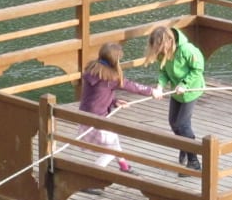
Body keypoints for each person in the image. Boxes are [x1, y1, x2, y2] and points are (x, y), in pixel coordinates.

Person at [78, 42, 161, 173]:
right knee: (110, 150)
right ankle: (91, 176)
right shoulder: (111, 77)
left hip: (84, 118)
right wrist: (152, 91)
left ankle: (124, 166)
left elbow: (95, 96)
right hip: (97, 122)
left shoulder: (92, 69)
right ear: (115, 60)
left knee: (113, 141)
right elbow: (132, 86)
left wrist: (113, 101)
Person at [144, 26, 205, 173]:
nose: (159, 51)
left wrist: (185, 83)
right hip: (176, 92)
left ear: (169, 41)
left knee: (182, 124)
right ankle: (185, 144)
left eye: (160, 47)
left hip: (190, 90)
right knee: (174, 123)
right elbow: (164, 71)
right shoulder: (163, 53)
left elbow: (198, 68)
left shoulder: (187, 50)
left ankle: (194, 162)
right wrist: (160, 86)